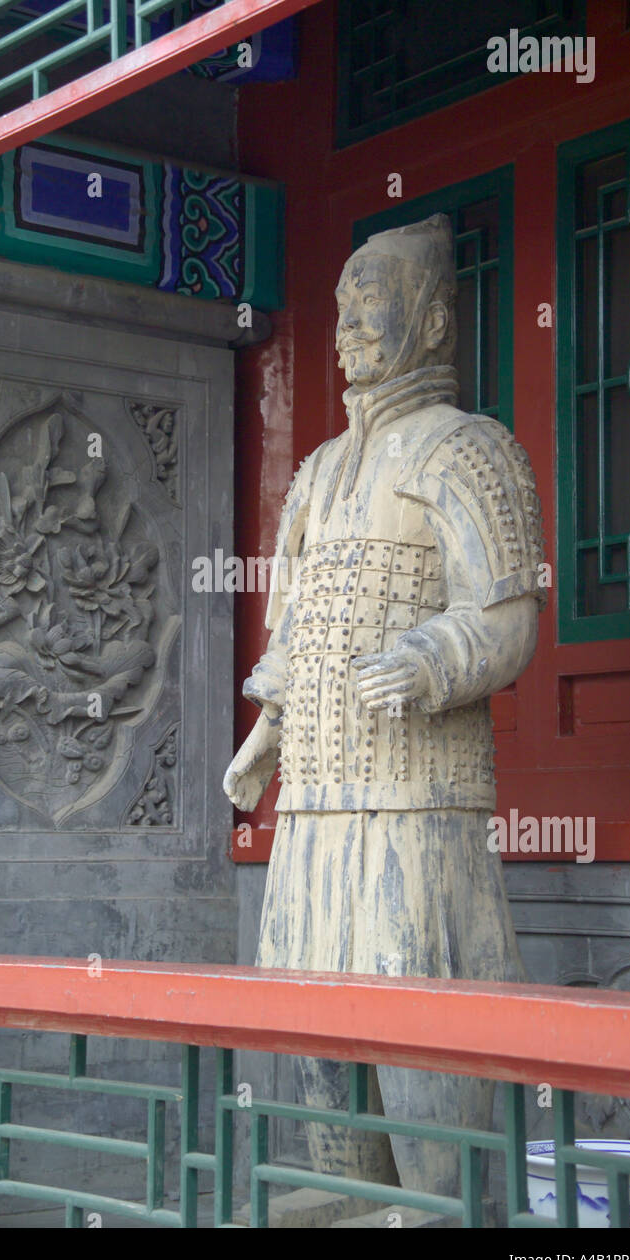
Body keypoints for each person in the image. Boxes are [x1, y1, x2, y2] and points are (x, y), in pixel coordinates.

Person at [224, 213, 546, 1204]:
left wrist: (426, 656)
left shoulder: (468, 449)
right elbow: (298, 634)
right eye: (340, 302)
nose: (346, 321)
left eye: (371, 299)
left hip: (416, 813)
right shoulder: (317, 471)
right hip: (312, 815)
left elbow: (505, 615)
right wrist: (263, 739)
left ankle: (439, 1213)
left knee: (420, 1035)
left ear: (434, 320)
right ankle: (346, 1205)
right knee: (317, 1044)